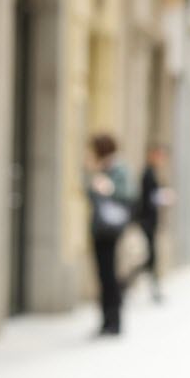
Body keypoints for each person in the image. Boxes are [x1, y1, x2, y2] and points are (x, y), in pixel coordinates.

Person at [85, 134, 133, 336]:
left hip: (110, 230)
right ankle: (106, 321)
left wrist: (109, 188)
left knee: (109, 275)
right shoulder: (100, 169)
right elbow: (89, 194)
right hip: (99, 228)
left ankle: (114, 321)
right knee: (103, 275)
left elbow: (128, 194)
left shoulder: (118, 169)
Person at [127, 144, 174, 303]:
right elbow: (147, 198)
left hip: (150, 221)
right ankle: (126, 283)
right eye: (159, 156)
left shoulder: (152, 173)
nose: (162, 160)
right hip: (146, 221)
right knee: (150, 257)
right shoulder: (148, 173)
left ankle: (152, 289)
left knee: (151, 257)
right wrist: (163, 197)